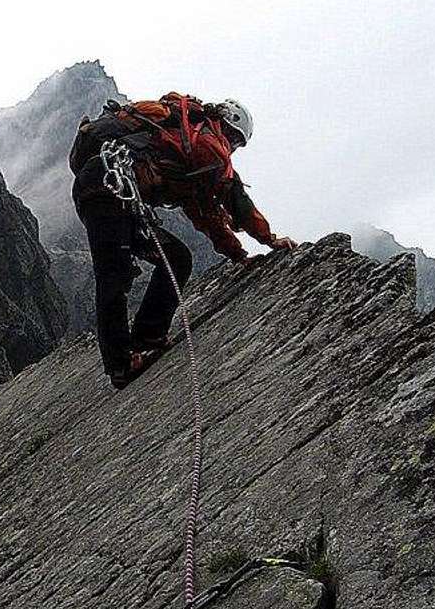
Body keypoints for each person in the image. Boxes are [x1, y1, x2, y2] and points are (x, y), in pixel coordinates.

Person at [69, 93, 296, 389]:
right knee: (114, 274)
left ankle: (146, 338)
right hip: (110, 188)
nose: (233, 150)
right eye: (237, 143)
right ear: (230, 130)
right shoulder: (209, 147)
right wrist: (268, 240)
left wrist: (238, 254)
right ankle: (120, 364)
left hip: (108, 187)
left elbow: (202, 213)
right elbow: (232, 202)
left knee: (176, 257)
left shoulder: (184, 148)